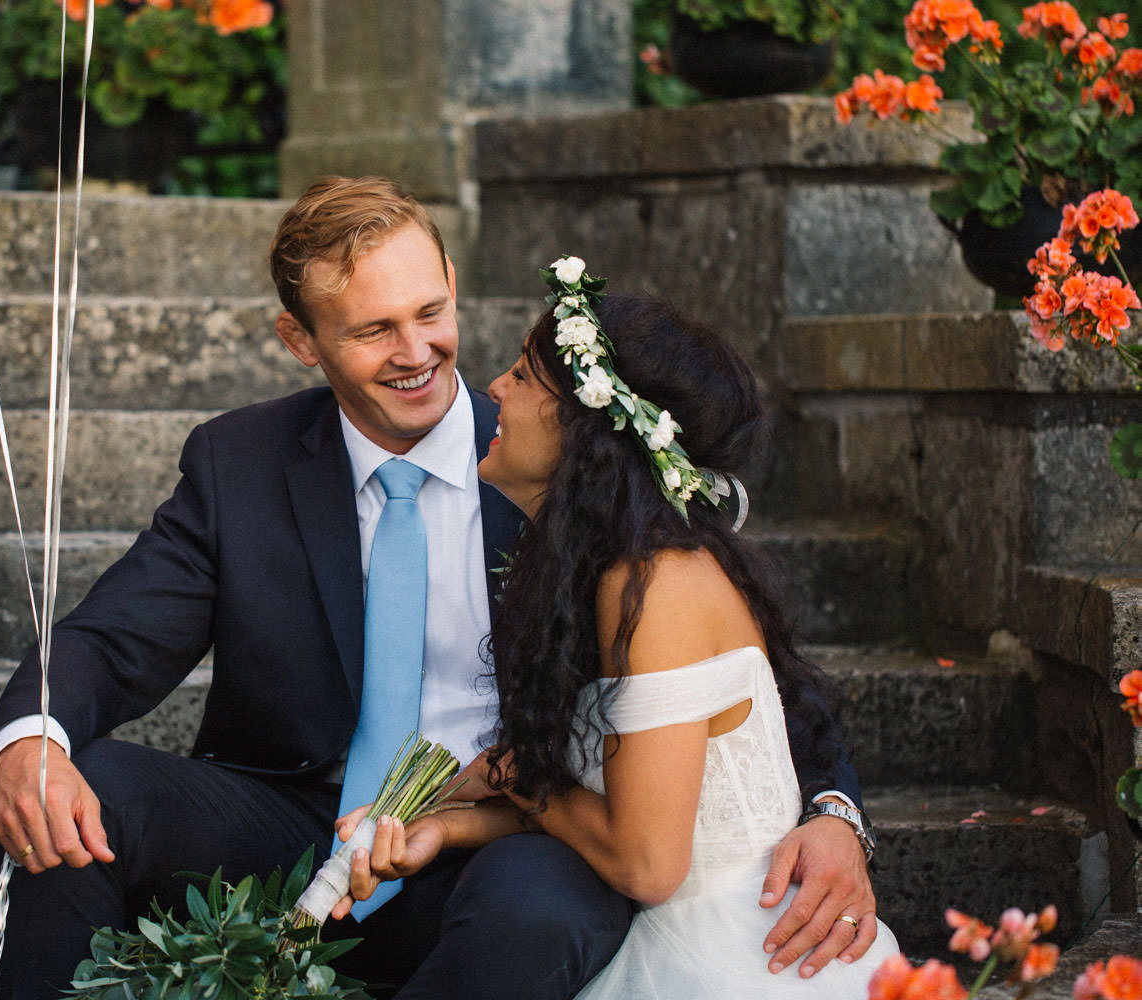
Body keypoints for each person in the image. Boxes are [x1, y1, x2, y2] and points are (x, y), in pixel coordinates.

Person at [0, 178, 880, 999]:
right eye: (372, 330)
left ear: (452, 282)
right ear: (301, 340)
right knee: (81, 789)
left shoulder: (562, 460)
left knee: (551, 904)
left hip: (503, 840)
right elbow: (111, 638)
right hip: (299, 822)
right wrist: (27, 742)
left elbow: (737, 669)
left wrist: (832, 812)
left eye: (431, 311)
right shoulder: (237, 463)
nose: (419, 353)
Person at [332, 262, 900, 997]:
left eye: (525, 376)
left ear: (588, 426)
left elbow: (646, 864)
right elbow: (606, 813)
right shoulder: (598, 570)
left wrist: (517, 778)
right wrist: (447, 828)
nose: (494, 389)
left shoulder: (655, 585)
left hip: (736, 951)